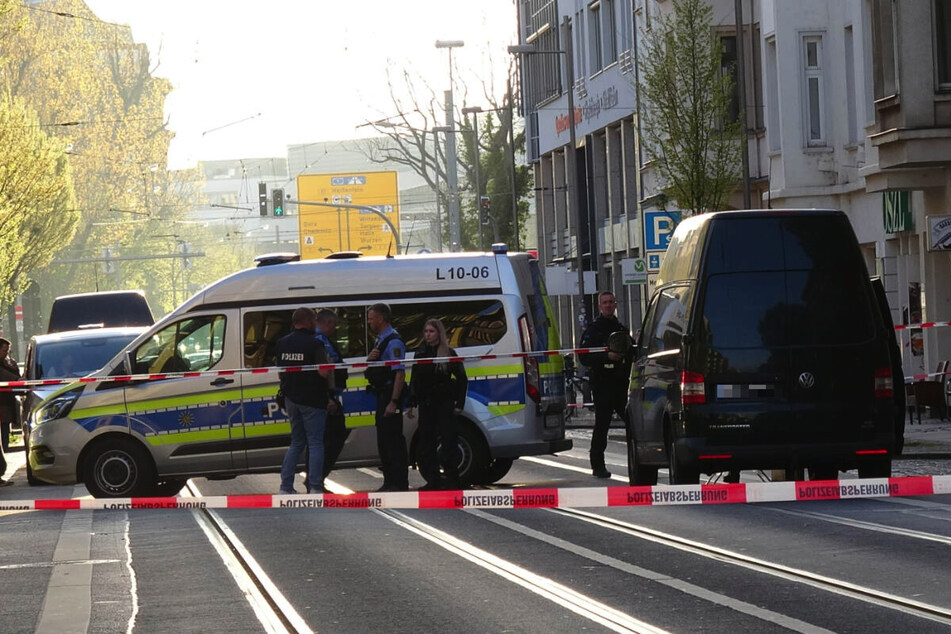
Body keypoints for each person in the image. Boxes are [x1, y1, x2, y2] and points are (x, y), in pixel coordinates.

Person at [276, 307, 333, 494]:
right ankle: (315, 486)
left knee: (296, 442)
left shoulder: (282, 343)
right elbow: (323, 372)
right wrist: (330, 363)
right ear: (308, 321)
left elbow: (280, 372)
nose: (315, 324)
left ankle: (285, 487)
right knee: (315, 442)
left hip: (291, 398)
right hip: (313, 399)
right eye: (314, 321)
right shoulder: (314, 344)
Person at [408, 318, 467, 490]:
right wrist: (412, 403)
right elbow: (415, 379)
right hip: (427, 403)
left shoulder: (448, 353)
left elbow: (462, 379)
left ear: (439, 333)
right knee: (427, 442)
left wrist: (459, 403)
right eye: (426, 331)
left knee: (448, 440)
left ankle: (452, 479)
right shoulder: (420, 353)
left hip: (444, 402)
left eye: (431, 331)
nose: (428, 335)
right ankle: (433, 479)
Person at [579, 291, 631, 479]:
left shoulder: (621, 329)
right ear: (600, 306)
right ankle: (598, 465)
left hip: (621, 383)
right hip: (602, 384)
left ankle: (638, 462)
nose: (608, 305)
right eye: (605, 303)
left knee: (632, 424)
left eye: (611, 302)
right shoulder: (594, 330)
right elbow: (583, 356)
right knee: (602, 425)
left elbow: (632, 351)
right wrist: (605, 356)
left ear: (615, 304)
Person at [303, 308, 350, 489]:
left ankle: (315, 480)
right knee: (329, 440)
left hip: (325, 397)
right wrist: (328, 398)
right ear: (328, 323)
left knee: (323, 440)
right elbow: (322, 373)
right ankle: (315, 481)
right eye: (335, 324)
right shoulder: (320, 341)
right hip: (325, 399)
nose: (336, 328)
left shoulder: (319, 339)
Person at [365, 303, 408, 492]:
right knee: (384, 440)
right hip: (381, 394)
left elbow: (399, 373)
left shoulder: (393, 342)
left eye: (371, 318)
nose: (369, 322)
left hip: (389, 396)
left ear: (381, 319)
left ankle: (398, 482)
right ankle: (389, 481)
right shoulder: (380, 340)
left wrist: (394, 402)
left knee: (393, 442)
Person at [0, 338, 19, 484]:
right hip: (2, 406)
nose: (6, 354)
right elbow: (8, 376)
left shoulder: (5, 363)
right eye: (4, 351)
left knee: (3, 439)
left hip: (5, 405)